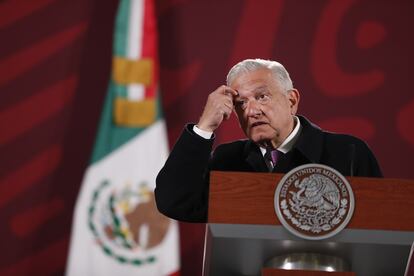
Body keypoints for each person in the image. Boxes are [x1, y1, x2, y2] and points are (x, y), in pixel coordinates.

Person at [155, 58, 382, 223]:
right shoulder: (228, 160)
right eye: (240, 104)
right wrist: (204, 128)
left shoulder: (348, 153)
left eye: (262, 97)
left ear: (291, 100)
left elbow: (382, 227)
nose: (252, 111)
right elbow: (174, 201)